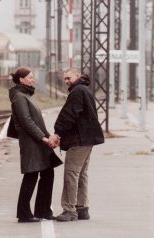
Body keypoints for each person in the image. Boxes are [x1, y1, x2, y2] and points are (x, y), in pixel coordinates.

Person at [49, 67, 104, 222]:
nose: (67, 81)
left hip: (79, 140)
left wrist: (57, 132)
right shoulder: (84, 90)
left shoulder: (77, 92)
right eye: (65, 79)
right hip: (87, 139)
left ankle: (69, 210)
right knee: (81, 174)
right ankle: (82, 209)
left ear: (77, 76)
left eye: (69, 78)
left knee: (71, 174)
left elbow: (69, 114)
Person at [9, 67, 61, 223]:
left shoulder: (25, 95)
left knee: (47, 173)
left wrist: (48, 137)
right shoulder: (19, 97)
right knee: (31, 175)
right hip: (32, 142)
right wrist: (44, 139)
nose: (33, 79)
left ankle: (43, 211)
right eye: (30, 77)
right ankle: (24, 214)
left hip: (39, 141)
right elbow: (27, 122)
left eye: (32, 77)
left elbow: (35, 121)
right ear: (21, 80)